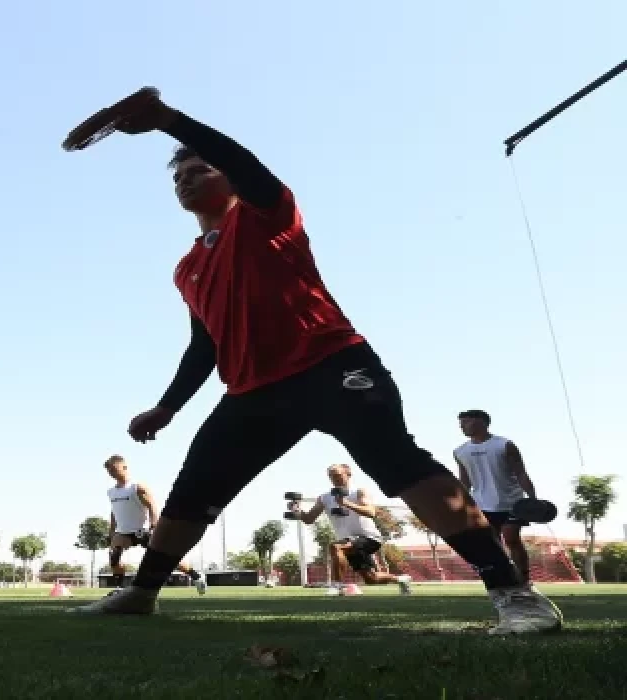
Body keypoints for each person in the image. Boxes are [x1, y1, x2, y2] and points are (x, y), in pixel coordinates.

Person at [67, 88, 561, 634]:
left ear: (229, 177)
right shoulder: (187, 268)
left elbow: (244, 162)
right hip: (252, 392)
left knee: (397, 463)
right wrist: (167, 407)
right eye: (178, 176)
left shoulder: (264, 213)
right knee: (192, 491)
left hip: (331, 364)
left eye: (199, 168)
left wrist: (170, 122)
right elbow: (204, 344)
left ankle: (514, 593)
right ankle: (141, 594)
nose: (185, 178)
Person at [290, 464, 412, 594]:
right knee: (371, 578)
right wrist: (297, 511)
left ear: (348, 475)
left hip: (369, 538)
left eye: (337, 475)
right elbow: (309, 518)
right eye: (331, 476)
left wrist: (346, 503)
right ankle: (402, 579)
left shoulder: (359, 492)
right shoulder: (324, 498)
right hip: (348, 542)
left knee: (336, 547)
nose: (334, 479)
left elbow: (371, 512)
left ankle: (337, 586)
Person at [454, 409, 538, 584]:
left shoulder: (505, 445)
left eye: (467, 422)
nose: (462, 426)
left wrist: (532, 498)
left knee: (511, 538)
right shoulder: (460, 451)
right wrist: (460, 503)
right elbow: (464, 480)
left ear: (482, 422)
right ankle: (504, 578)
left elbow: (521, 473)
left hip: (513, 502)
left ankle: (524, 579)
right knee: (492, 545)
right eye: (461, 423)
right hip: (483, 504)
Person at [103, 455, 205, 593]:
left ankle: (196, 575)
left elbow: (152, 506)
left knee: (164, 558)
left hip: (143, 530)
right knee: (114, 557)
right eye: (109, 471)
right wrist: (111, 531)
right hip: (123, 532)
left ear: (124, 467)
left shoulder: (136, 487)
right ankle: (119, 588)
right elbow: (114, 512)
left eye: (114, 469)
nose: (112, 473)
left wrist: (153, 525)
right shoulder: (111, 492)